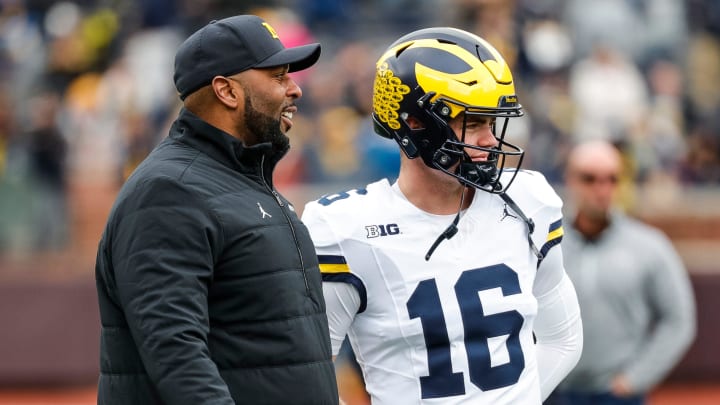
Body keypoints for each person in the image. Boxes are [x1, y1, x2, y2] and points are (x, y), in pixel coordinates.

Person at [301, 27, 583, 404]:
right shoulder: (345, 229)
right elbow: (308, 371)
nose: (490, 141)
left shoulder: (528, 201)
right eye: (474, 122)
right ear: (415, 122)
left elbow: (562, 339)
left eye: (492, 123)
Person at [94, 15, 338, 405]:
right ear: (226, 91)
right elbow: (176, 353)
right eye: (278, 76)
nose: (295, 90)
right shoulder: (170, 191)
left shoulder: (243, 182)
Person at [545, 140, 696, 405]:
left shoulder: (649, 246)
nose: (602, 190)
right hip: (553, 390)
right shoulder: (544, 243)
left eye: (612, 179)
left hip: (617, 394)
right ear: (570, 179)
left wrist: (634, 379)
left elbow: (678, 320)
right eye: (589, 179)